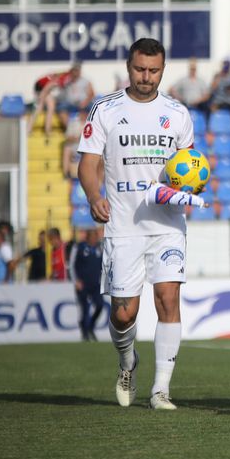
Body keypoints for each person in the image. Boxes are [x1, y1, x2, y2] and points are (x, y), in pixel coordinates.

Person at [78, 37, 196, 411]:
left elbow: (188, 168)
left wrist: (191, 188)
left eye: (154, 70)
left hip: (167, 225)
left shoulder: (177, 114)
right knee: (123, 312)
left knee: (168, 299)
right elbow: (87, 163)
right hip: (123, 225)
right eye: (140, 69)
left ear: (163, 70)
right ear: (129, 67)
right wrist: (94, 196)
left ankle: (161, 390)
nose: (146, 77)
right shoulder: (105, 109)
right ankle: (128, 361)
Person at [71, 227, 104, 341]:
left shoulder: (99, 248)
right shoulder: (79, 247)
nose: (95, 239)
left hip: (96, 284)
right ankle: (85, 334)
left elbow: (103, 265)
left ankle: (91, 326)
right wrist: (76, 281)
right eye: (94, 237)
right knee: (84, 310)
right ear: (88, 237)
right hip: (83, 284)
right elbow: (72, 265)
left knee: (100, 305)